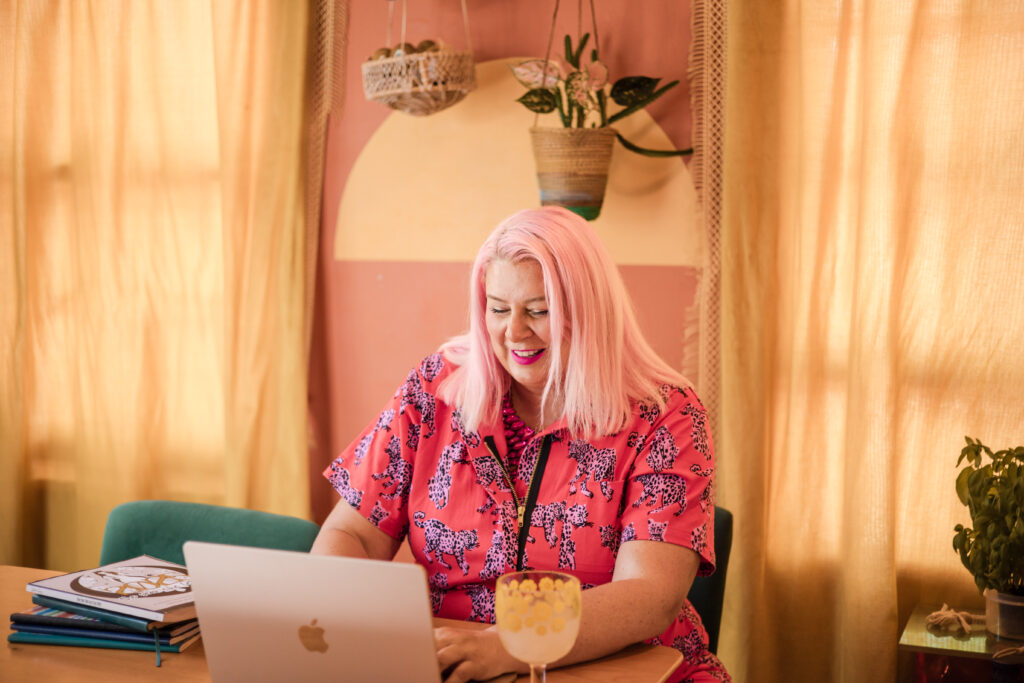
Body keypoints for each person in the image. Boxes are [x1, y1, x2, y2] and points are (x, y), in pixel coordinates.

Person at [311, 207, 730, 683]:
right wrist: (347, 629)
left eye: (539, 310)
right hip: (456, 666)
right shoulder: (432, 391)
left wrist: (508, 646)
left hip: (629, 669)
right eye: (498, 308)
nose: (514, 332)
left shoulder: (666, 413)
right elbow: (353, 535)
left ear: (589, 309)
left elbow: (650, 594)